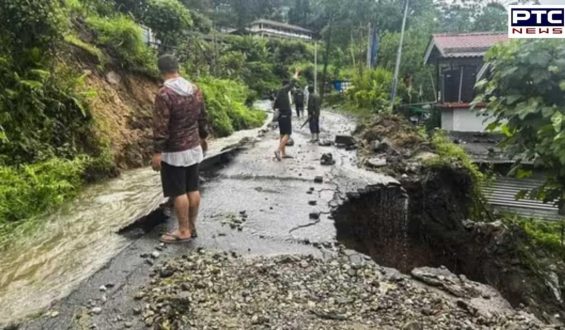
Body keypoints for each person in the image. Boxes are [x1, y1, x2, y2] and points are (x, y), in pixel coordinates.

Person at [152, 54, 209, 244]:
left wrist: (157, 152)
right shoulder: (194, 90)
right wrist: (203, 136)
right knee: (193, 188)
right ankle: (191, 226)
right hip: (193, 147)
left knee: (178, 192)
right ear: (178, 68)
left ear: (161, 71)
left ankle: (183, 230)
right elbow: (202, 116)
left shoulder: (164, 94)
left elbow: (161, 126)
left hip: (173, 151)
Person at [273, 71, 299, 161]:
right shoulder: (284, 90)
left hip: (280, 116)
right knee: (288, 134)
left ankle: (283, 154)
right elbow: (293, 82)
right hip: (285, 115)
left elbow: (274, 106)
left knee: (282, 134)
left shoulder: (278, 93)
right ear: (286, 86)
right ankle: (278, 150)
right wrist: (296, 73)